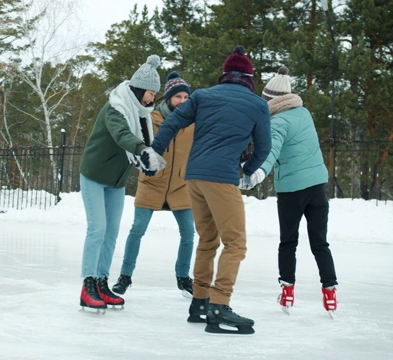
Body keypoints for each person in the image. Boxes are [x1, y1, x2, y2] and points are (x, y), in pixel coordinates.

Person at [150, 46, 271, 334]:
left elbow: (171, 122)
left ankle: (200, 302)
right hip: (221, 178)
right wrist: (248, 168)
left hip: (194, 177)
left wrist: (155, 150)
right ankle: (219, 305)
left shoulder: (203, 96)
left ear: (225, 75)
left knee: (208, 240)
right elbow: (264, 147)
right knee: (235, 244)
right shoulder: (257, 105)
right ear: (249, 78)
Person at [239, 66, 338, 318]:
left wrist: (257, 174)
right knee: (320, 243)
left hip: (292, 192)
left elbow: (270, 151)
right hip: (317, 189)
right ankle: (330, 293)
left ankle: (288, 291)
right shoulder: (304, 113)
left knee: (288, 243)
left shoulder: (277, 121)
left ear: (271, 100)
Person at [78, 55, 166, 313]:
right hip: (94, 175)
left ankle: (102, 282)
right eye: (150, 93)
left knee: (112, 233)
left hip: (115, 181)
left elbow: (143, 141)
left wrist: (146, 162)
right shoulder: (116, 108)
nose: (152, 99)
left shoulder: (140, 114)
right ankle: (88, 285)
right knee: (97, 229)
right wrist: (142, 150)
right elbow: (122, 135)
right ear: (139, 90)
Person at [112, 72, 195, 298]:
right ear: (168, 98)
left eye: (186, 98)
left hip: (181, 185)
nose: (182, 102)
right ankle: (125, 276)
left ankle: (184, 277)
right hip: (152, 182)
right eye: (178, 97)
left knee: (189, 233)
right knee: (137, 230)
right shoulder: (150, 119)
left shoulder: (193, 123)